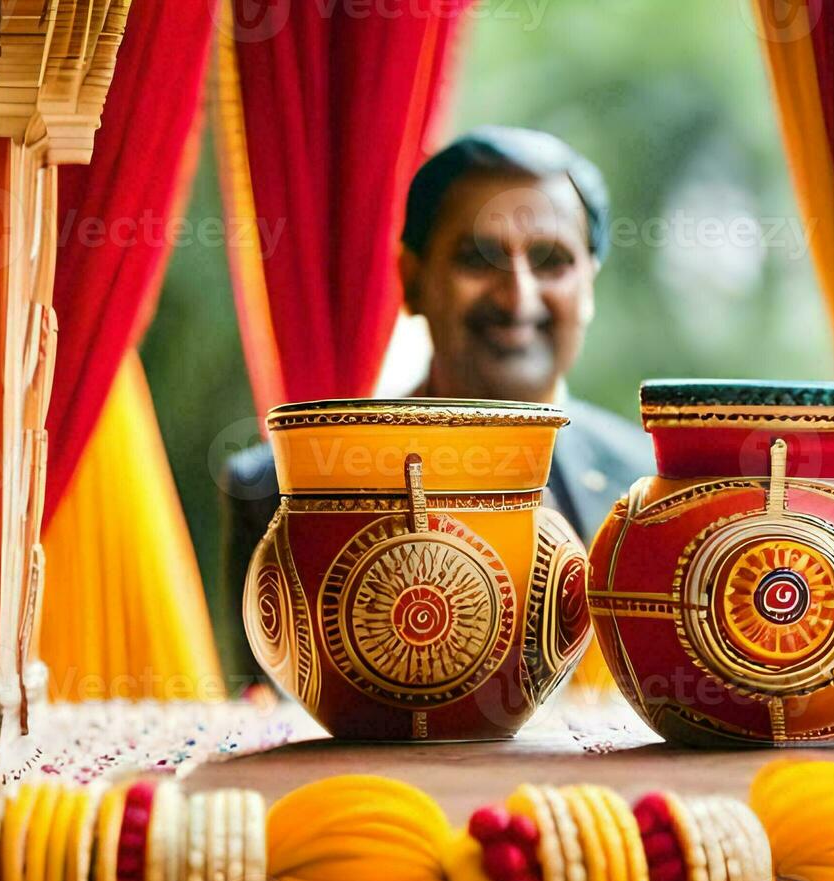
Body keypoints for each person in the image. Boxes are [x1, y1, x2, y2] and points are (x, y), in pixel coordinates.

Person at [219, 126, 653, 675]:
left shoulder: (651, 487)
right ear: (413, 279)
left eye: (550, 261)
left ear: (589, 284)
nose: (517, 296)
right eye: (478, 259)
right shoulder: (282, 489)